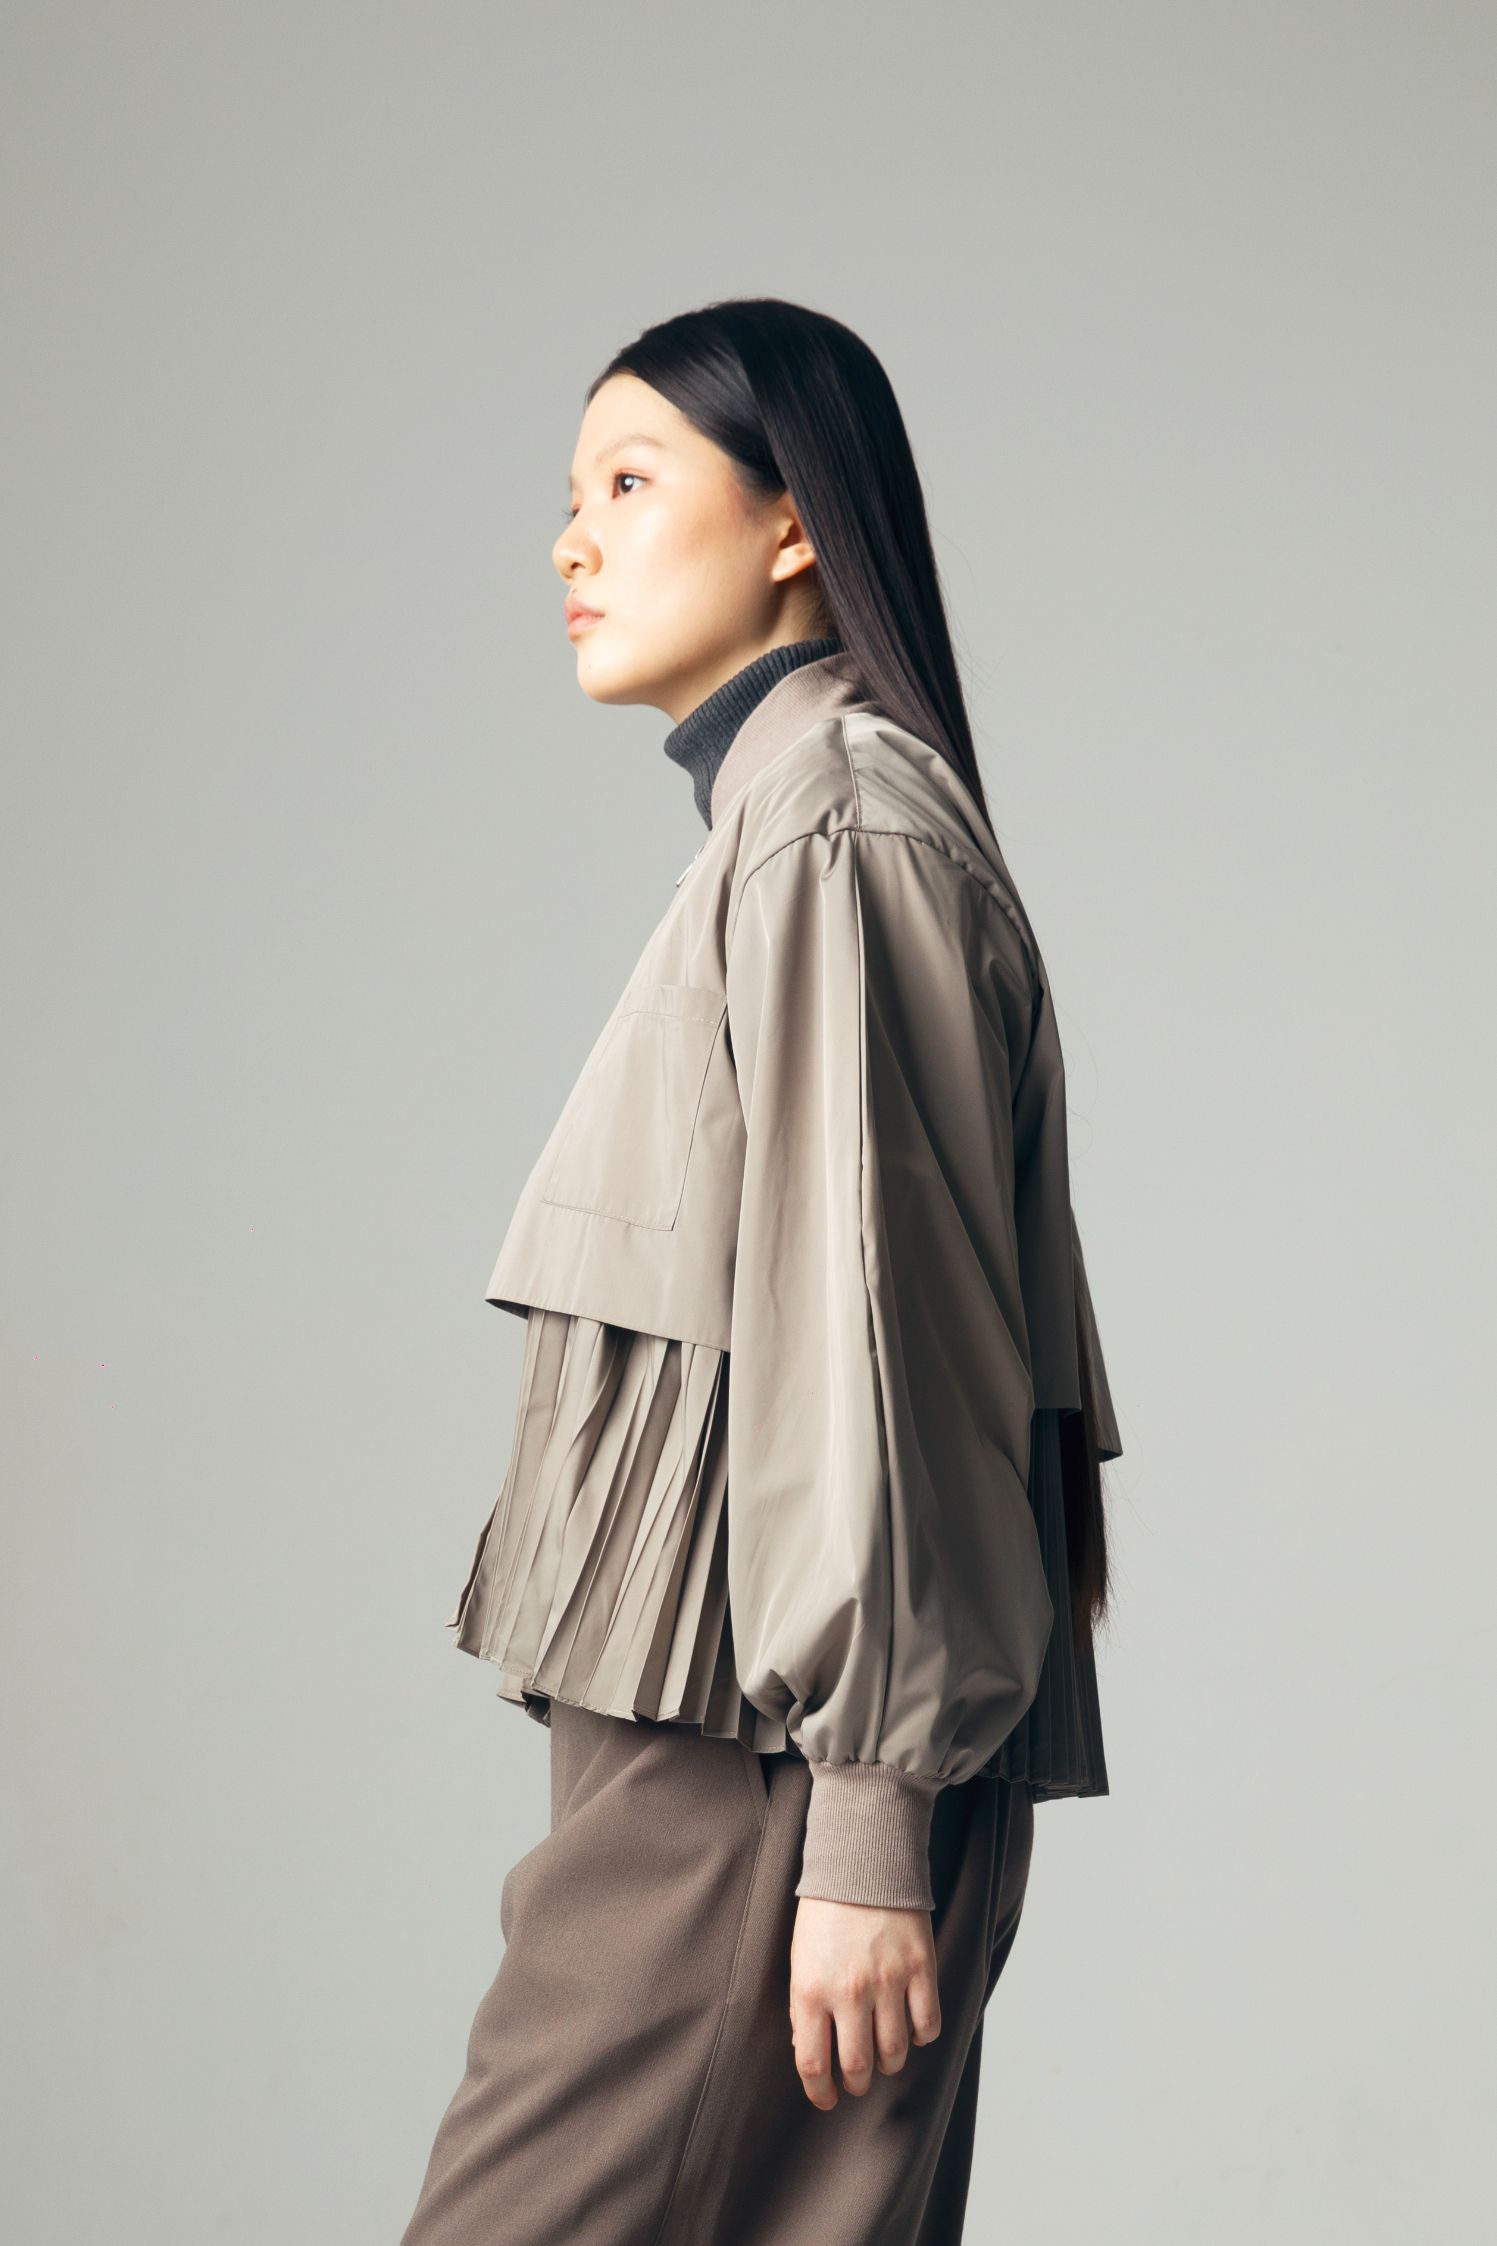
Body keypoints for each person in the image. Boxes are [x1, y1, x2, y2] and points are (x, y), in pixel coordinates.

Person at [397, 296, 1124, 2246]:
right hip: (754, 1763)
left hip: (759, 1781)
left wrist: (864, 1824)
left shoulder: (829, 827)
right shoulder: (794, 827)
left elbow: (873, 1343)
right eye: (570, 495)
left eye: (629, 483)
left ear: (791, 518)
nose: (571, 540)